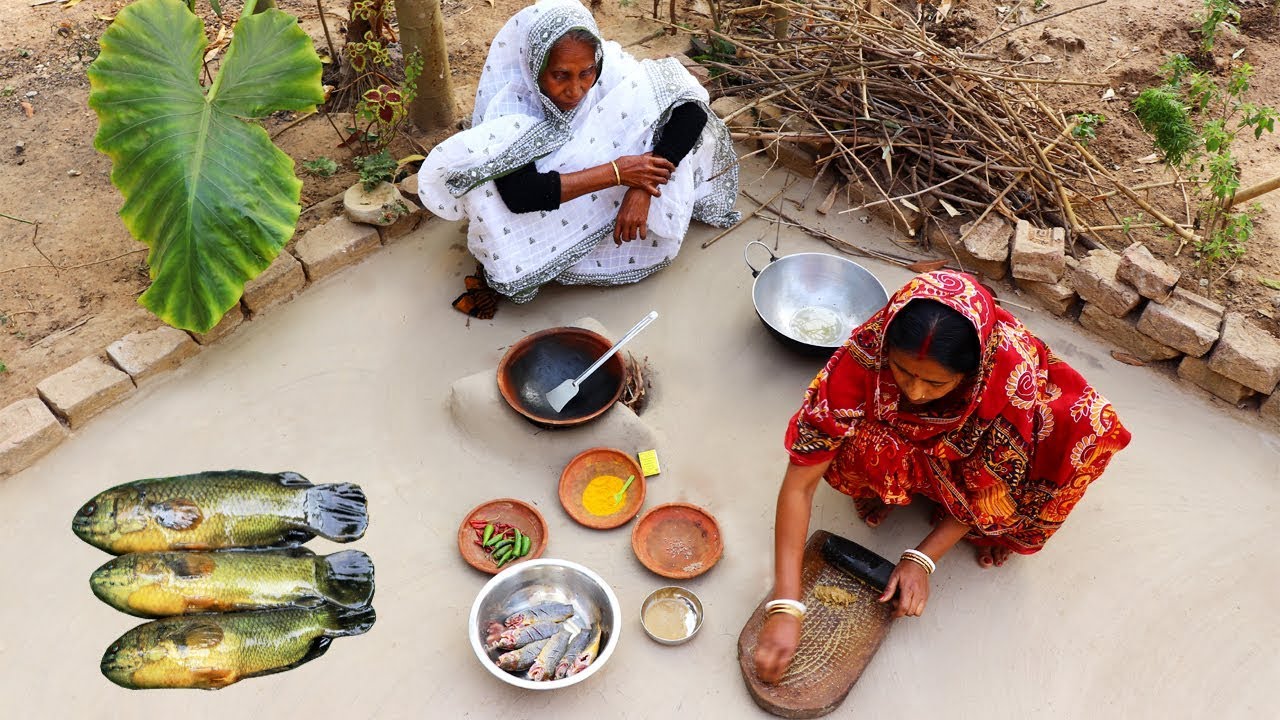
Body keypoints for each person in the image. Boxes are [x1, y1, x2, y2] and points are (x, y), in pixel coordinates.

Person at [753, 270, 1131, 683]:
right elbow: (801, 481)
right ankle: (902, 480)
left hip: (988, 447)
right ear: (887, 348)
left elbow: (994, 489)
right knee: (859, 442)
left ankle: (942, 492)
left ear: (969, 373)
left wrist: (922, 559)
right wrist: (786, 604)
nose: (914, 392)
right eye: (902, 371)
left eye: (935, 382)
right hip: (934, 440)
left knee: (1080, 432)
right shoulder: (865, 351)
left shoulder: (1006, 377)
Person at [417, 0, 740, 312]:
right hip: (554, 208)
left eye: (586, 72)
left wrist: (642, 187)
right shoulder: (510, 108)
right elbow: (520, 195)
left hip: (622, 198)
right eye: (560, 76)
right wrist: (617, 172)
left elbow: (690, 111)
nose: (576, 90)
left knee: (661, 121)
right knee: (489, 192)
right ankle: (536, 262)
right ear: (535, 66)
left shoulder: (609, 68)